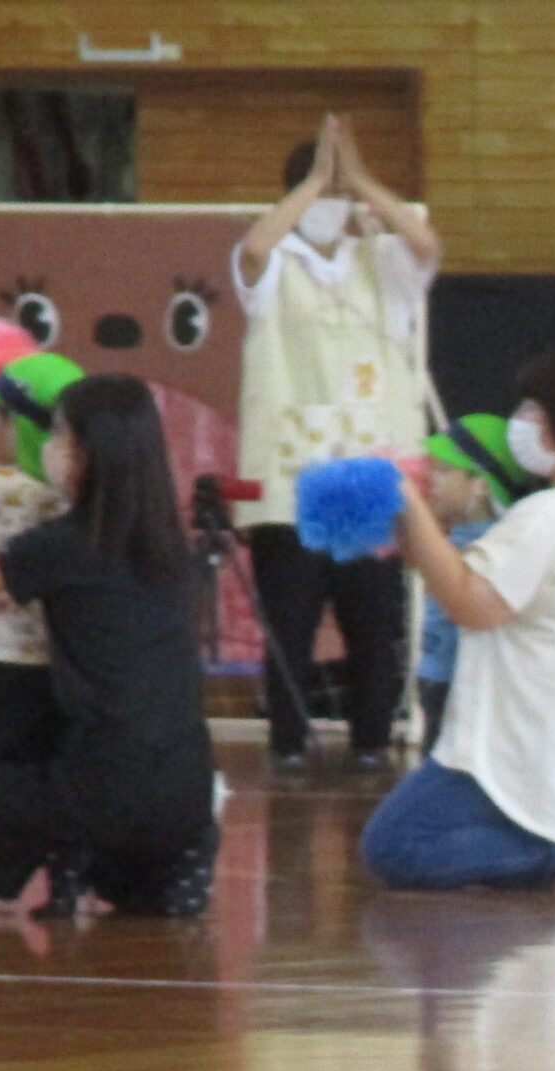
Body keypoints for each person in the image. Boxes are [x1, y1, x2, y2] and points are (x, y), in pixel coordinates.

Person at [361, 348, 555, 898]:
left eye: (530, 410)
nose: (519, 421)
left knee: (395, 846)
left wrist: (405, 497)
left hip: (527, 749)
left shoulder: (554, 514)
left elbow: (470, 604)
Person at [0, 374, 218, 917]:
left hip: (104, 788)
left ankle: (68, 851)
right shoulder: (170, 547)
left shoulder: (69, 544)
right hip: (188, 793)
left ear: (88, 452)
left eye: (61, 434)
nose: (50, 445)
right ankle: (151, 859)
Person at [234, 112, 440, 772]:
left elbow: (426, 243)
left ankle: (372, 742)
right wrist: (312, 184)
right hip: (292, 483)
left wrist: (358, 178)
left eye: (337, 195)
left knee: (373, 627)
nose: (331, 204)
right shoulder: (275, 265)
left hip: (367, 481)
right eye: (321, 193)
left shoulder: (380, 259)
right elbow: (254, 251)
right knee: (290, 626)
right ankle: (288, 744)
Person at [0, 350, 81, 894]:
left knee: (3, 776)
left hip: (7, 661)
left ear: (22, 427)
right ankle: (66, 875)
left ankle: (6, 873)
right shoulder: (81, 500)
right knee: (53, 772)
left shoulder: (3, 486)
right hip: (65, 665)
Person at [412, 412, 534, 749]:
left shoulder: (485, 548)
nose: (432, 479)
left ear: (480, 486)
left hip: (458, 685)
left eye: (444, 470)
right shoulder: (459, 539)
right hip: (442, 679)